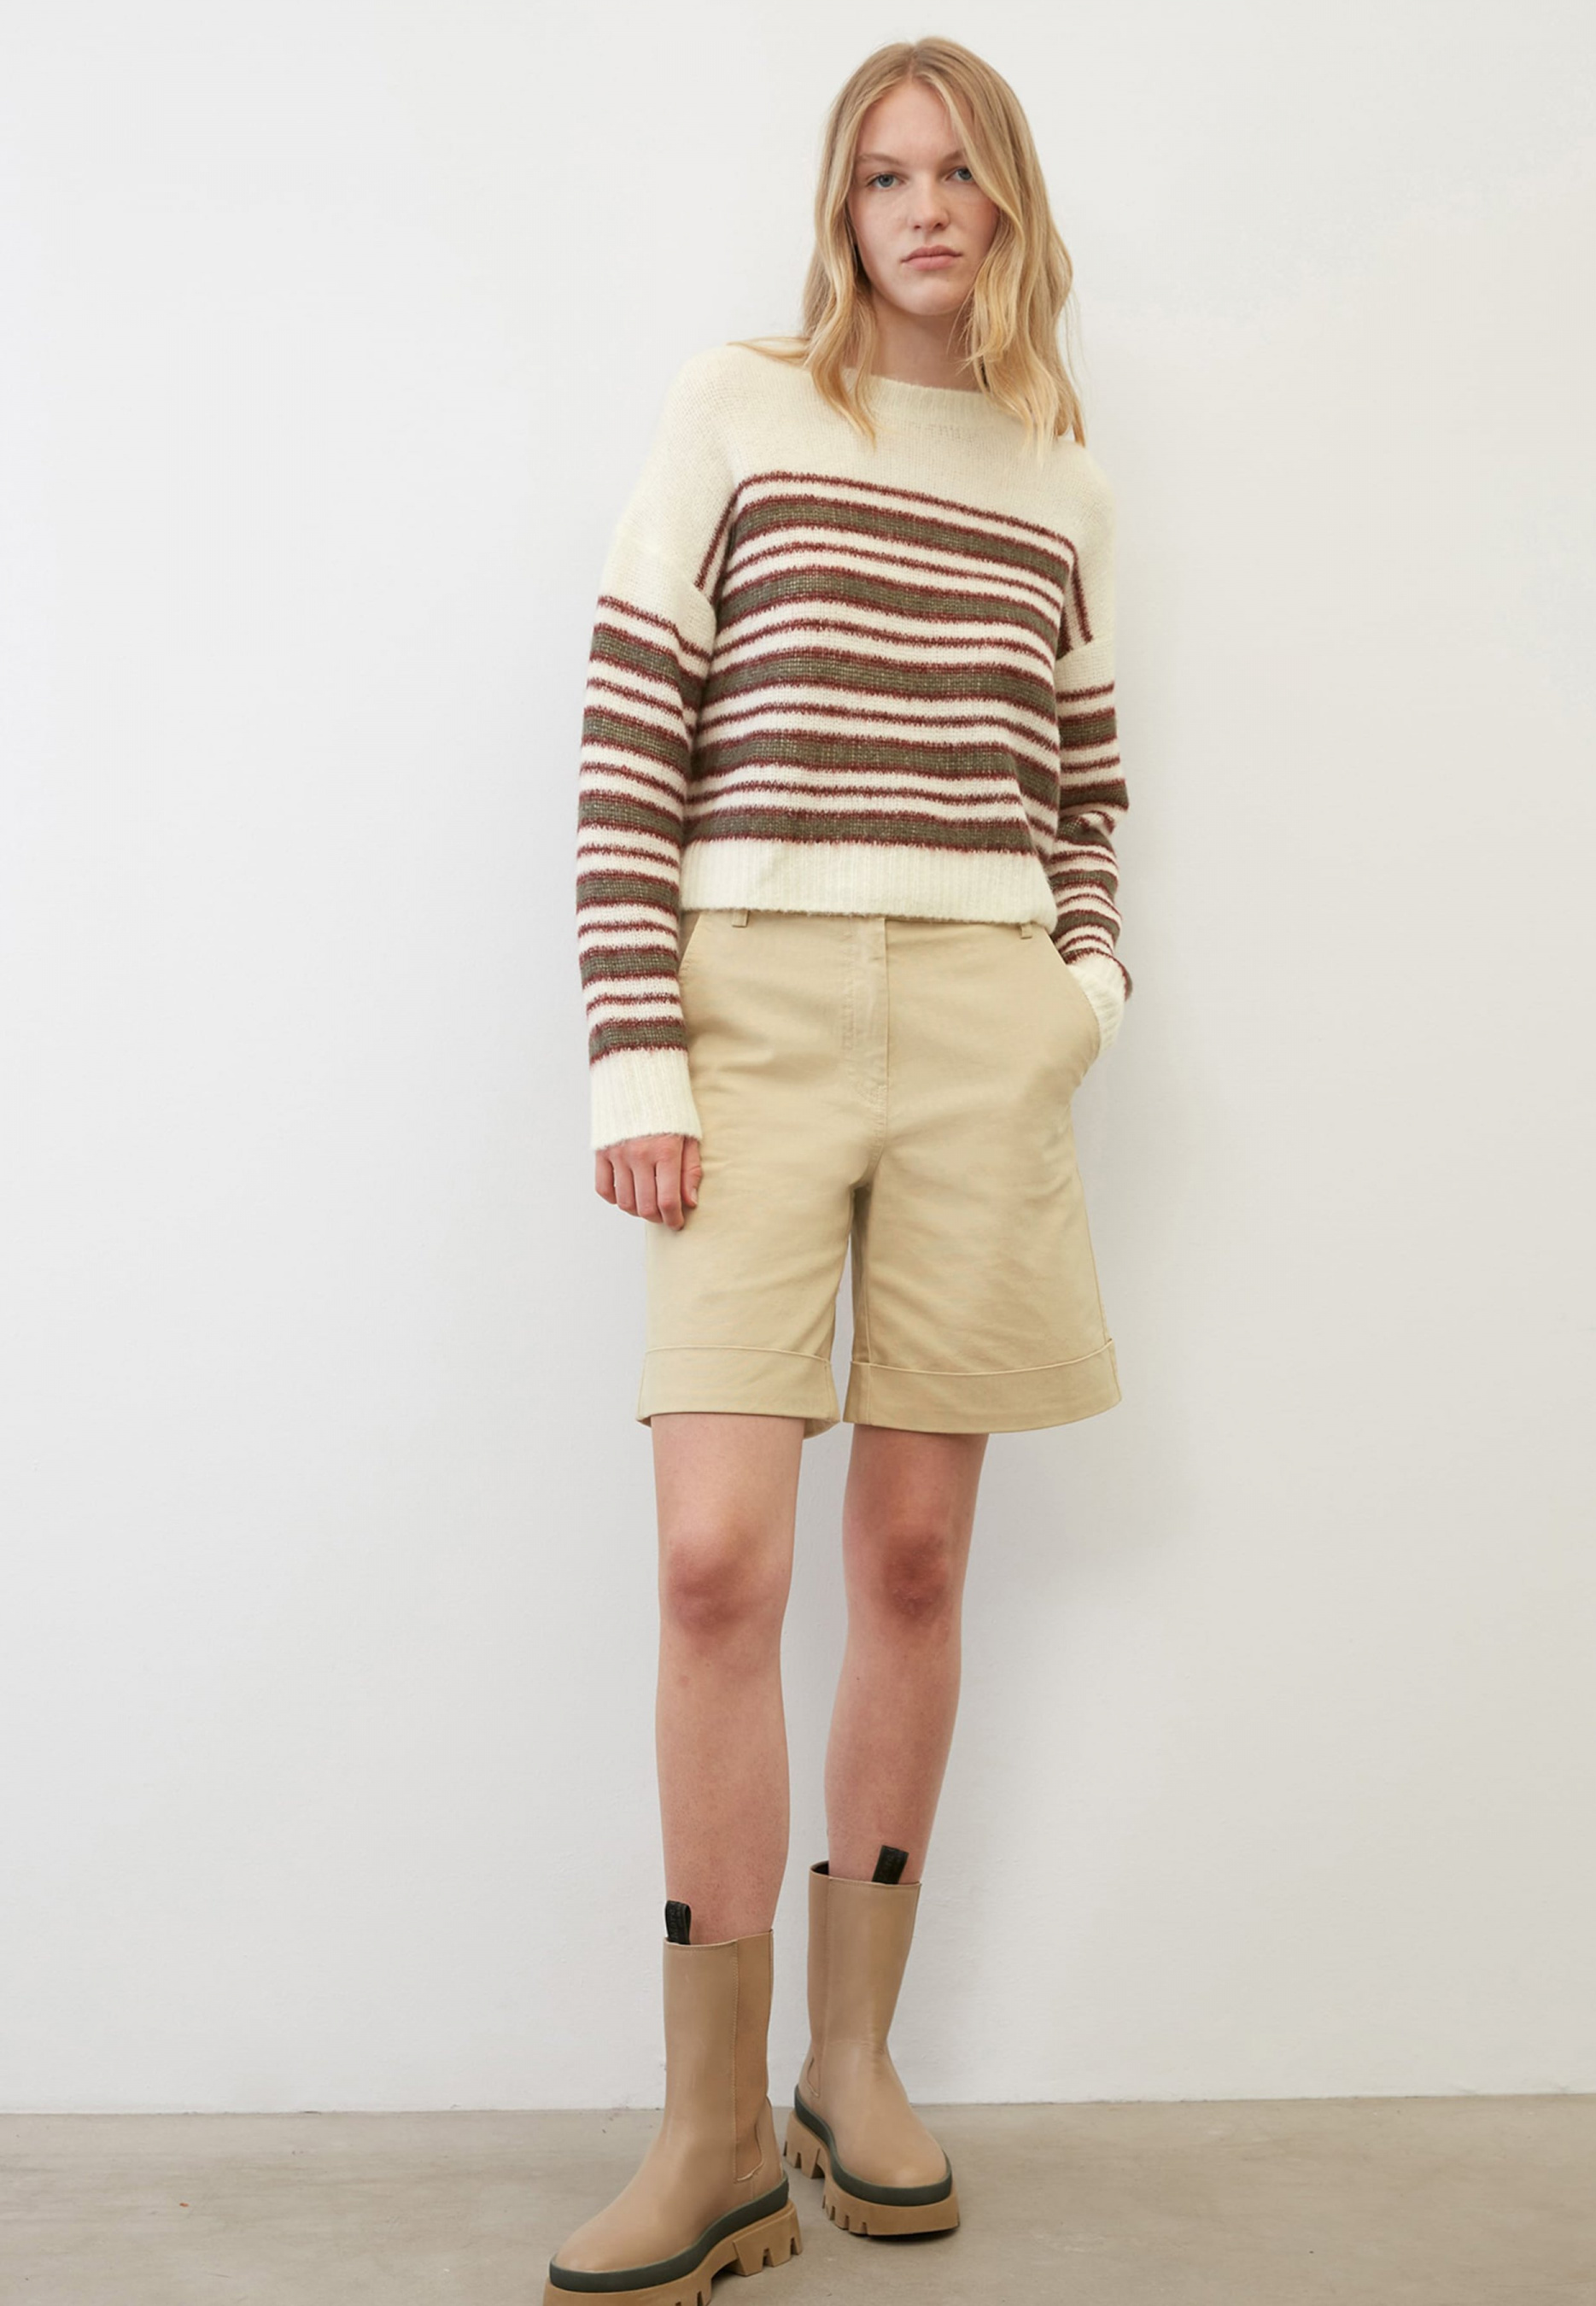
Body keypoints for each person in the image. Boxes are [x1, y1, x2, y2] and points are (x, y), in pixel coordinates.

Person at [544, 34, 1132, 2303]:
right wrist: (637, 1055)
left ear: (1009, 206)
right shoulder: (738, 410)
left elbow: (1090, 787)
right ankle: (706, 2131)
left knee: (909, 1556)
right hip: (751, 1018)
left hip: (982, 1029)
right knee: (715, 1563)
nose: (924, 207)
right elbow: (629, 737)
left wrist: (1079, 998)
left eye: (959, 172)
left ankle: (850, 2063)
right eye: (885, 174)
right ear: (841, 205)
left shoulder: (1062, 477)